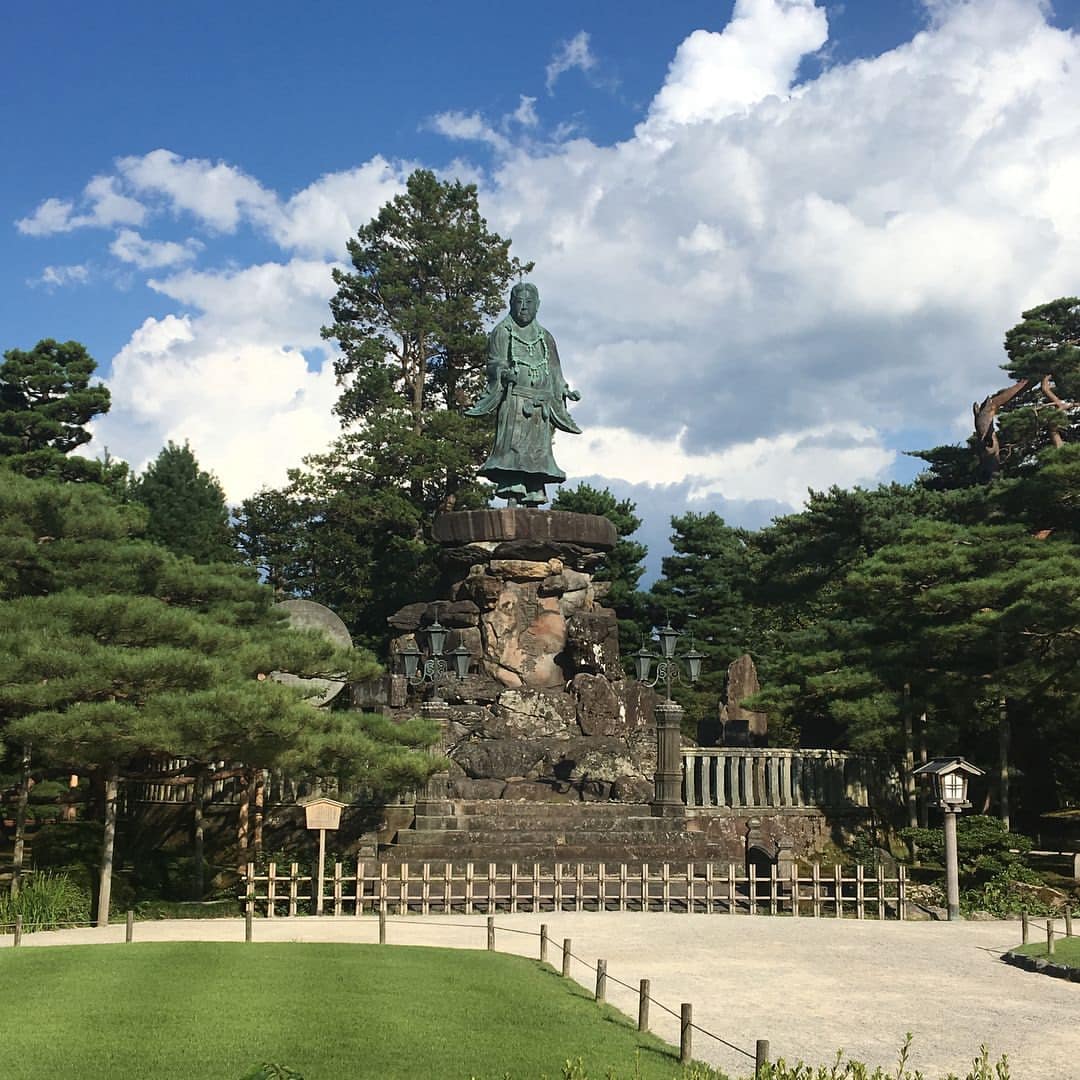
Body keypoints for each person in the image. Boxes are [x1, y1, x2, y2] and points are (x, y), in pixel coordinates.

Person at [466, 282, 581, 506]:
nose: (524, 307)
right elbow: (494, 363)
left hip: (540, 406)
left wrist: (564, 389)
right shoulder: (503, 332)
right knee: (513, 447)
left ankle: (534, 491)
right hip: (515, 401)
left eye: (529, 302)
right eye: (519, 302)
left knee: (538, 451)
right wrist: (503, 373)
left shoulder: (545, 337)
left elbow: (555, 371)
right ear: (511, 303)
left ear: (538, 305)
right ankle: (512, 489)